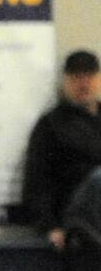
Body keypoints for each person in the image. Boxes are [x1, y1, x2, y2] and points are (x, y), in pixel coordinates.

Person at [20, 48, 101, 248]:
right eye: (76, 77)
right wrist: (49, 226)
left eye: (89, 76)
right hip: (77, 217)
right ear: (65, 82)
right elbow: (37, 180)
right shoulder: (51, 125)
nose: (83, 84)